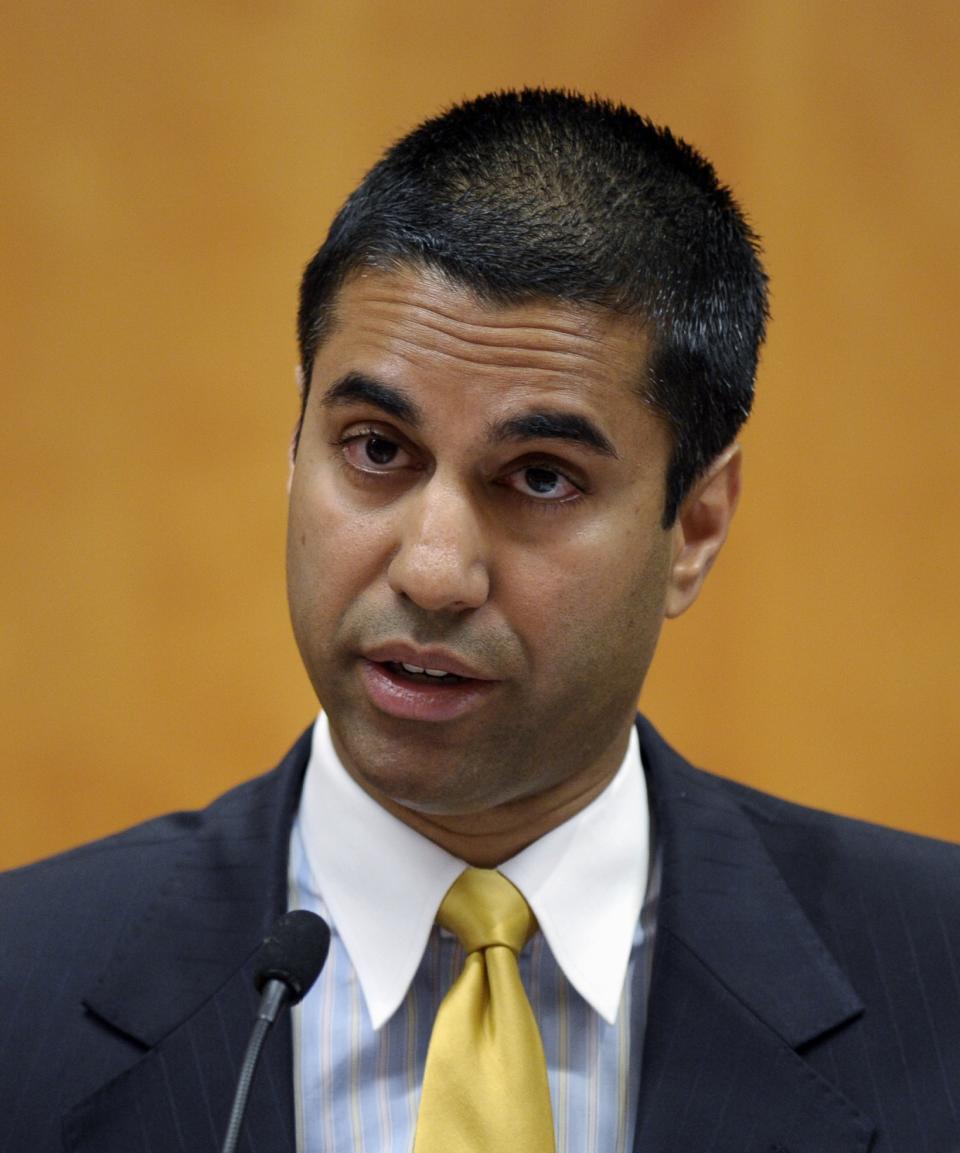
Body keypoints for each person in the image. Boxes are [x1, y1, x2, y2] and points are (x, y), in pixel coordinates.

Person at [1, 89, 958, 1153]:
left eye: (539, 477)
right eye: (375, 449)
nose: (434, 569)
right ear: (295, 445)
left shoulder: (938, 977)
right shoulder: (20, 994)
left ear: (693, 523)